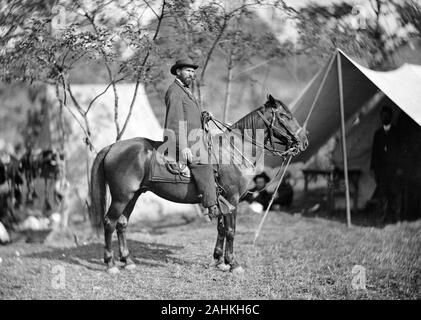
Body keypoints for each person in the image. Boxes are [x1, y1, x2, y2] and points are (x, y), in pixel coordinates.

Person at [164, 58, 231, 219]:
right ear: (178, 71)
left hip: (195, 138)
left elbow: (188, 117)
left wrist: (203, 117)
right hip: (183, 141)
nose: (191, 74)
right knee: (203, 164)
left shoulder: (185, 90)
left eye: (193, 71)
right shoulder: (175, 91)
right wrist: (183, 147)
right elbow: (175, 121)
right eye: (188, 70)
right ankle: (212, 205)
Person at [370, 105, 401, 223]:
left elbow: (400, 151)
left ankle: (396, 217)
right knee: (382, 194)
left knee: (395, 193)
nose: (384, 117)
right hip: (381, 170)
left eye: (387, 115)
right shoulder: (377, 134)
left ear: (391, 117)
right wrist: (373, 169)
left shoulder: (397, 133)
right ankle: (382, 216)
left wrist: (399, 168)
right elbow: (374, 152)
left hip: (394, 169)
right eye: (382, 115)